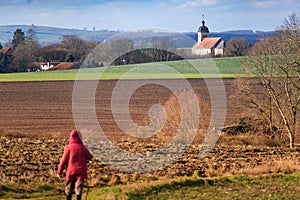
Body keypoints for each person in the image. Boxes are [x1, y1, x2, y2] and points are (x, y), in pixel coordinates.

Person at [57, 129, 93, 200]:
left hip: (70, 171)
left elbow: (63, 161)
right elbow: (90, 157)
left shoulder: (68, 148)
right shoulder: (83, 147)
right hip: (81, 171)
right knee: (79, 189)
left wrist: (59, 172)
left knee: (68, 189)